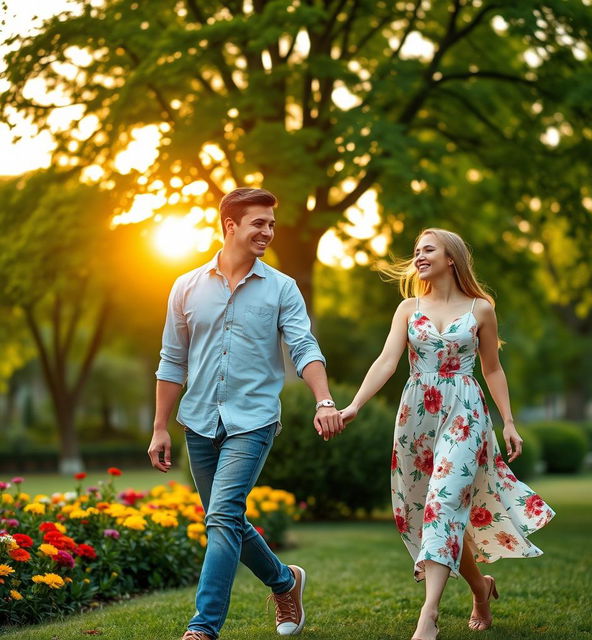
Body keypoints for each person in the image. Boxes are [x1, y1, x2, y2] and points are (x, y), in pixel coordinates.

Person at [147, 187, 343, 640]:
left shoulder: (282, 288)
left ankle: (203, 627)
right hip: (198, 421)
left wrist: (324, 399)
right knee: (227, 519)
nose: (268, 232)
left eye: (271, 225)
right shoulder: (186, 287)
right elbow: (172, 361)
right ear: (231, 225)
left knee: (220, 517)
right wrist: (160, 427)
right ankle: (284, 581)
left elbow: (303, 346)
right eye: (259, 223)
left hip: (253, 420)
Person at [340, 228, 554, 640]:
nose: (419, 256)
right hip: (417, 416)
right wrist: (354, 405)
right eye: (416, 251)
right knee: (429, 514)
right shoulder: (408, 307)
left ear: (451, 257)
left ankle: (429, 616)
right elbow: (387, 360)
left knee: (443, 502)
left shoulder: (481, 309)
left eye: (428, 250)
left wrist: (507, 420)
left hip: (465, 413)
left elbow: (492, 368)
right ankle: (480, 590)